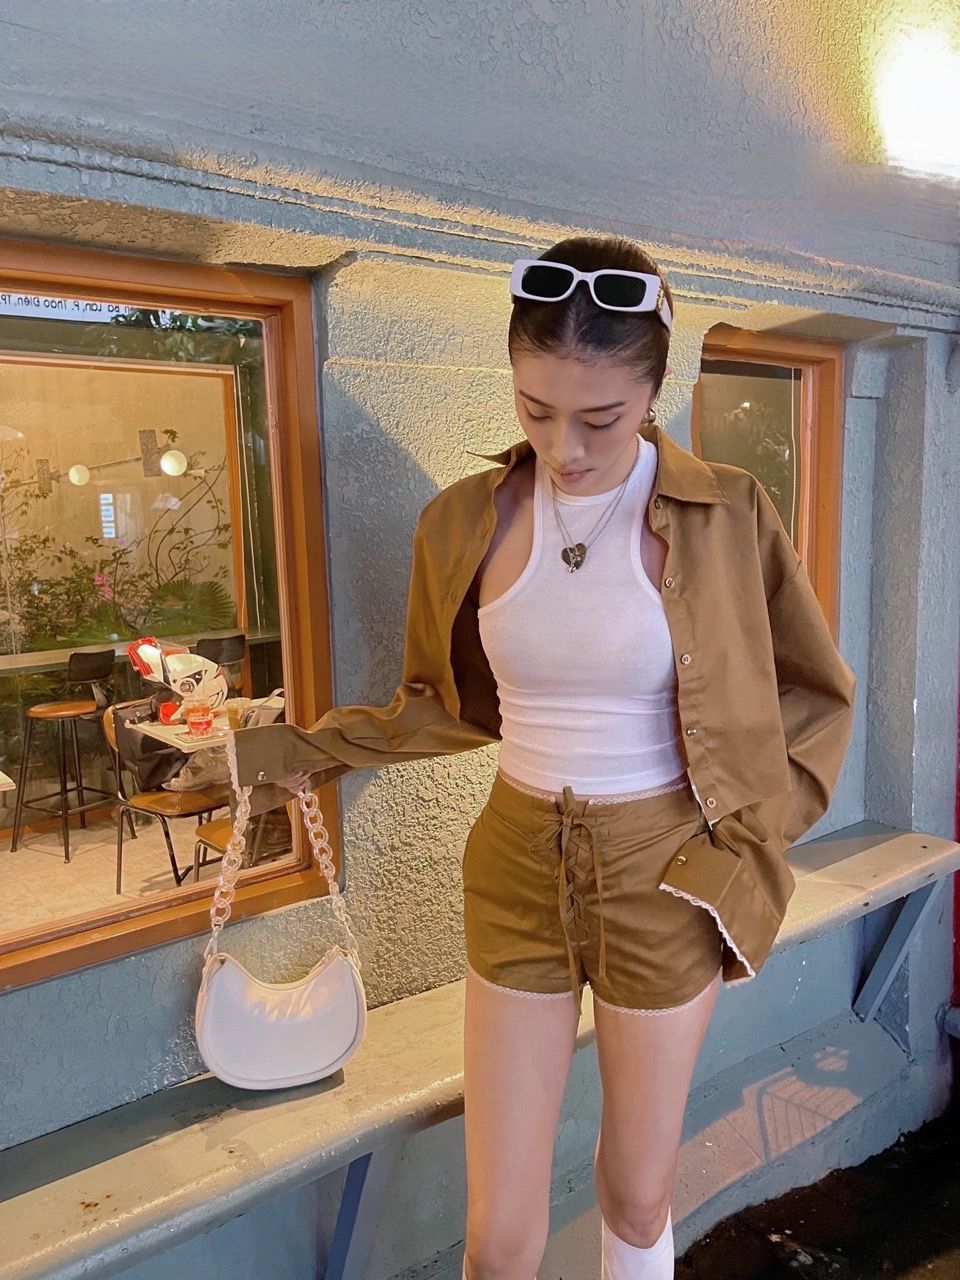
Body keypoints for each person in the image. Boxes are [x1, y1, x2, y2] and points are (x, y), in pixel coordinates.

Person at [231, 234, 856, 1279]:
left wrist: (748, 841)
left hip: (668, 872)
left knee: (636, 1191)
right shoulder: (461, 521)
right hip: (515, 863)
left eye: (599, 418)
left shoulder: (730, 512)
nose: (565, 447)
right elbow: (436, 708)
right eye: (535, 409)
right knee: (498, 1237)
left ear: (655, 390)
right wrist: (273, 752)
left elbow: (816, 694)